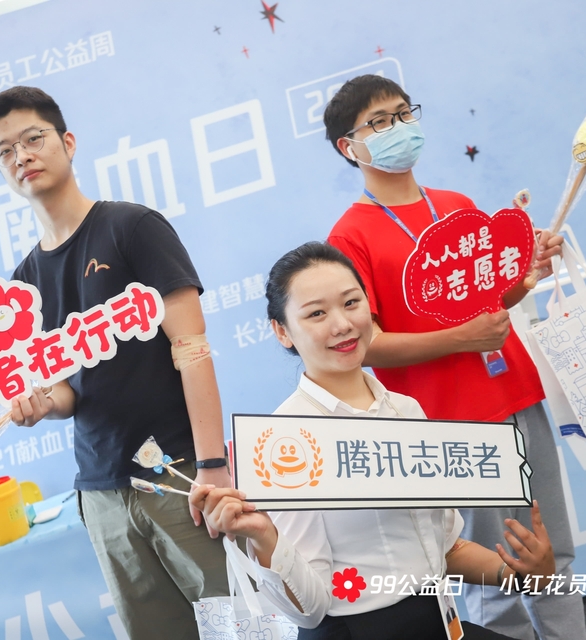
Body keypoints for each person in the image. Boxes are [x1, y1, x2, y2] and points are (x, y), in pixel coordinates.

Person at [322, 74, 586, 640]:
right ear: (349, 146)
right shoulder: (349, 238)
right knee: (496, 577)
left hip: (515, 392)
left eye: (404, 113)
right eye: (379, 122)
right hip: (447, 424)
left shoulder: (456, 207)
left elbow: (491, 303)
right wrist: (462, 339)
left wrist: (526, 273)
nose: (399, 128)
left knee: (553, 553)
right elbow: (364, 344)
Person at [190, 242, 556, 640]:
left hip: (437, 620)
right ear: (282, 331)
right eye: (316, 313)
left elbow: (446, 549)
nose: (342, 325)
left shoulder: (406, 410)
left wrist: (521, 575)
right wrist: (265, 536)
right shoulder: (286, 441)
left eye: (351, 303)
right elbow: (310, 612)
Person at [0, 86, 231, 639]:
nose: (22, 156)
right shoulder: (23, 284)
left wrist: (212, 465)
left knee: (241, 623)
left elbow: (192, 349)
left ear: (67, 143)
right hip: (100, 492)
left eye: (33, 139)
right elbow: (68, 391)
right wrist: (41, 403)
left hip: (179, 473)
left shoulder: (132, 227)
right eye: (5, 151)